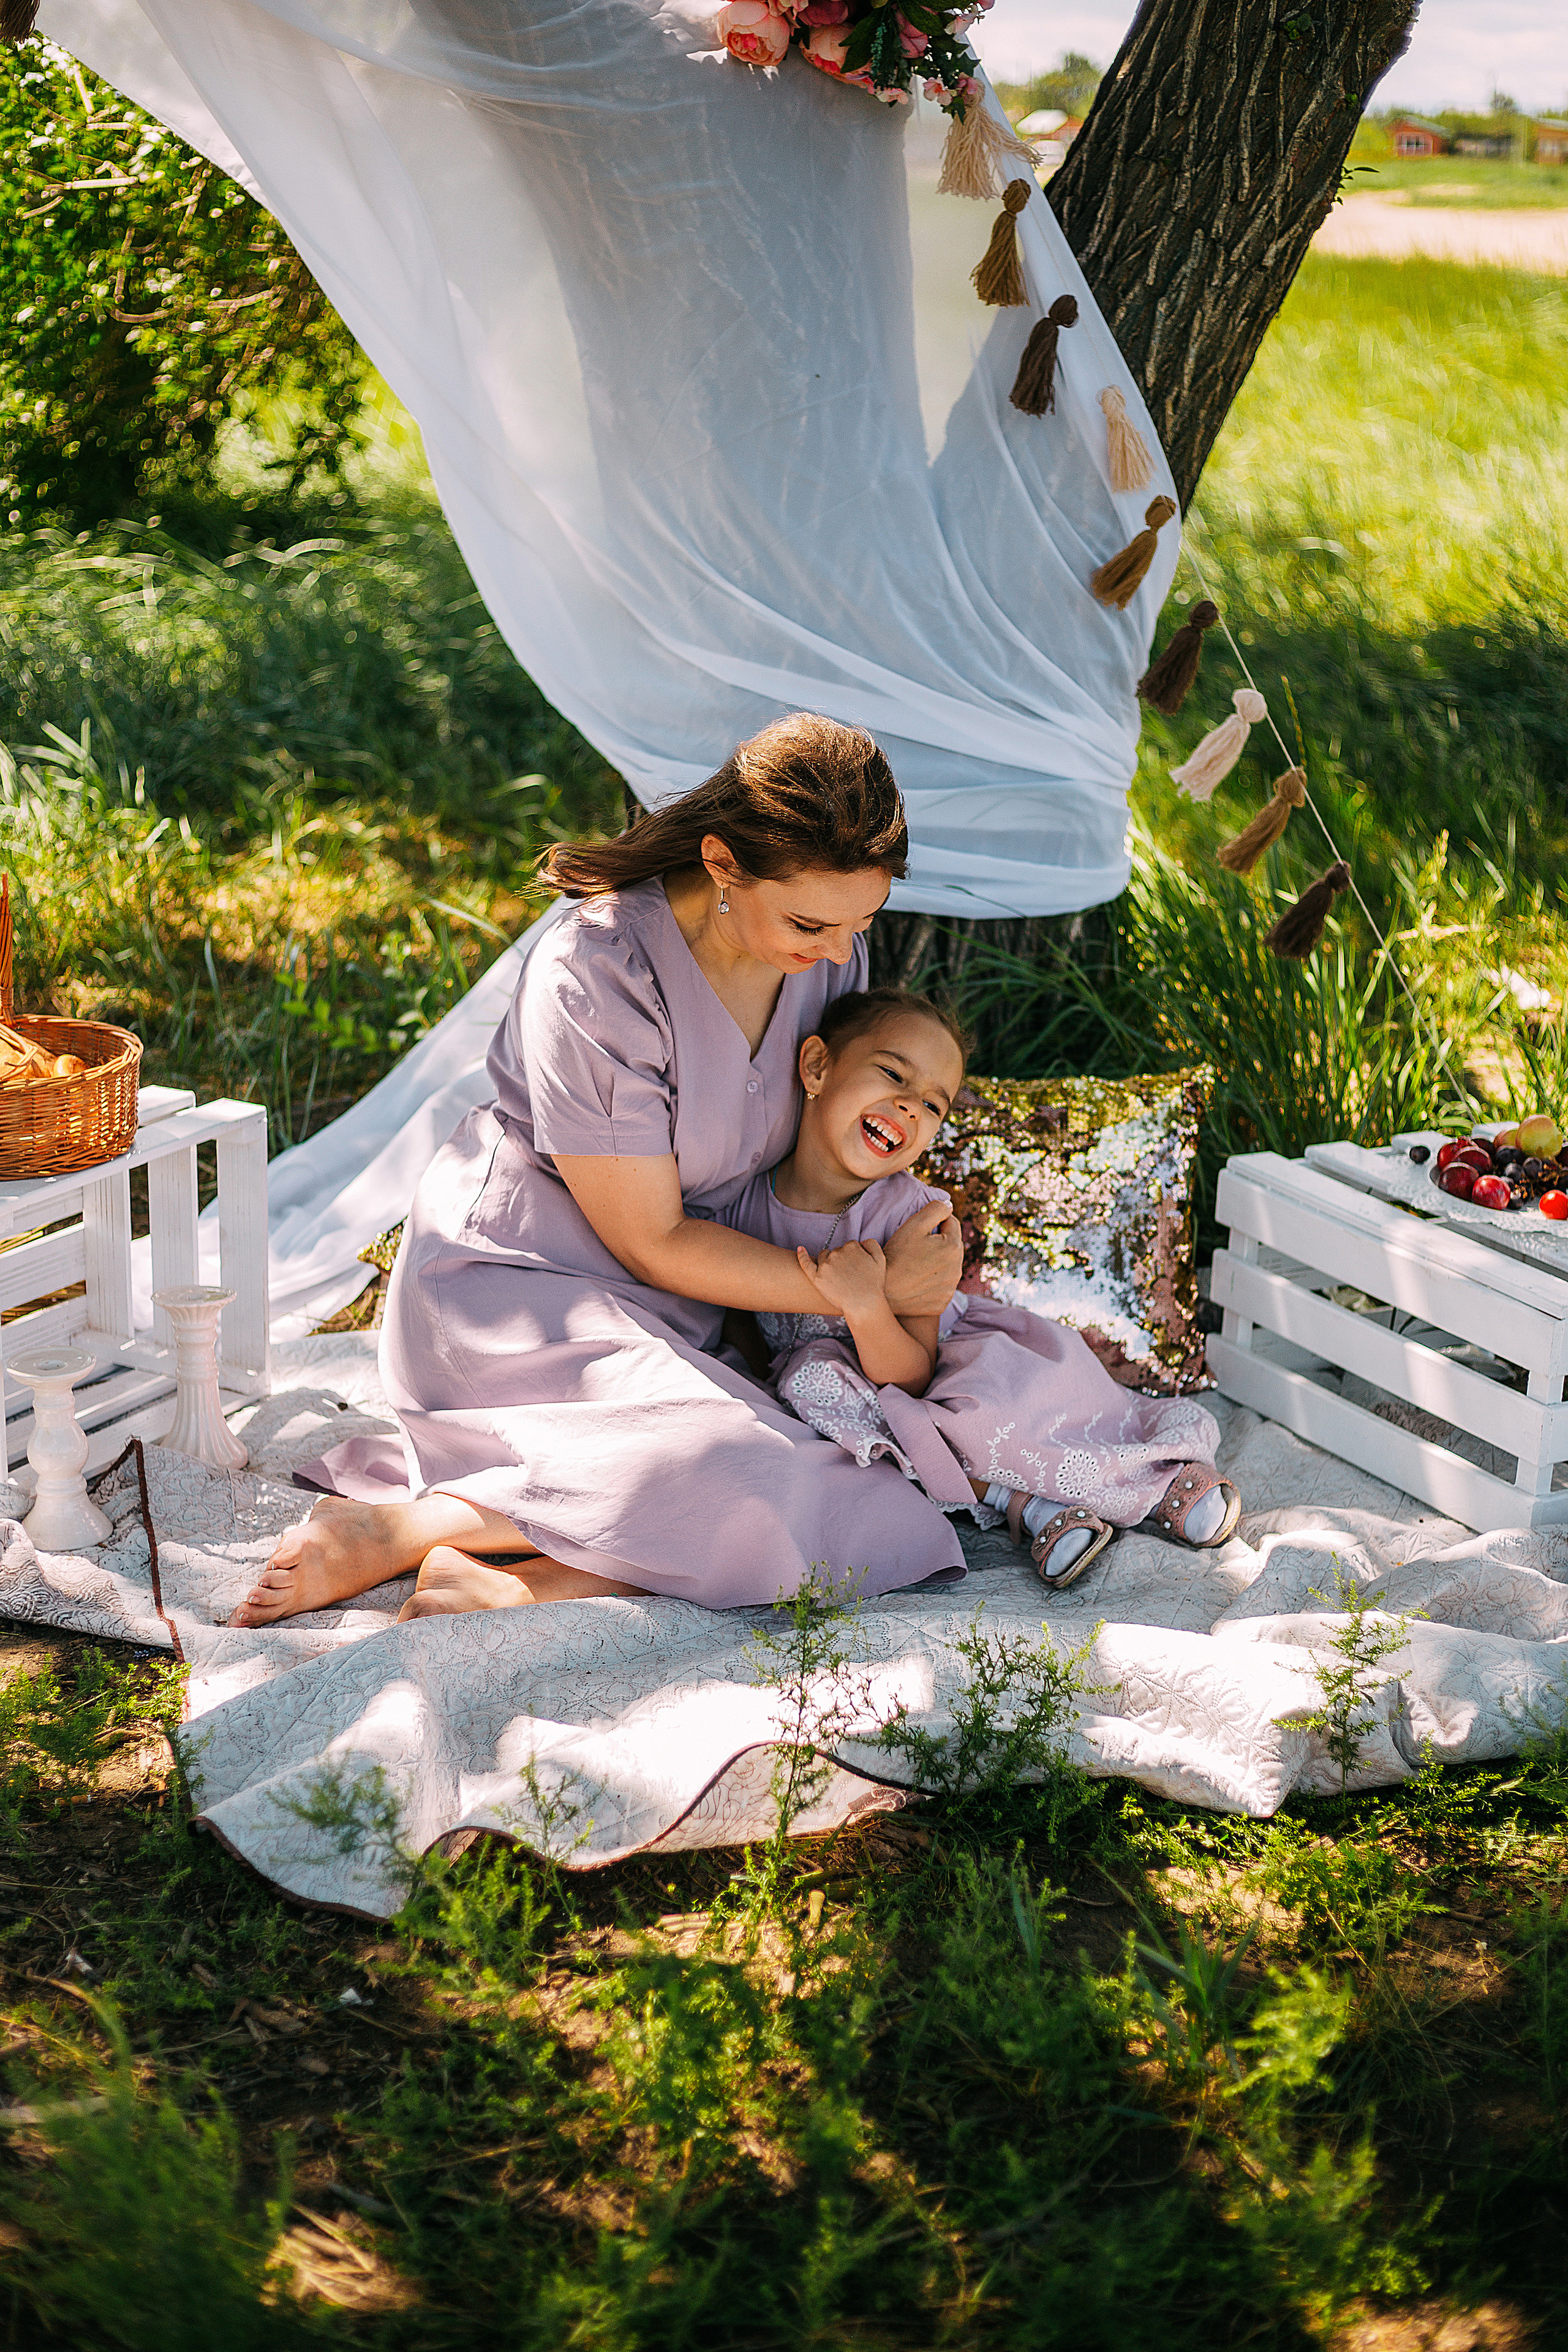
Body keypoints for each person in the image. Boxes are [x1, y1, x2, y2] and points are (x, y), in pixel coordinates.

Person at [231, 714, 968, 1627]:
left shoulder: (818, 958)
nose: (837, 951)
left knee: (860, 1497)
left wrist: (899, 1245)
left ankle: (517, 1581)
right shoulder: (598, 969)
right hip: (521, 1291)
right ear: (722, 863)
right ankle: (399, 1531)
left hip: (691, 1300)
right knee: (751, 1472)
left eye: (861, 922)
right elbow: (652, 1237)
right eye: (812, 922)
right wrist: (868, 1292)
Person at [719, 986, 1240, 1586]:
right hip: (852, 1404)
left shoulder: (913, 1218)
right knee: (828, 1400)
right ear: (817, 1066)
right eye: (892, 1072)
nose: (910, 1107)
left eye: (934, 1106)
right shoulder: (739, 1207)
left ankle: (1163, 1477)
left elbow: (914, 1374)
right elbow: (740, 1321)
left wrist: (864, 1303)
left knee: (999, 1418)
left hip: (946, 1365)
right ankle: (1031, 1507)